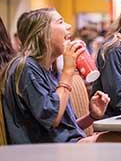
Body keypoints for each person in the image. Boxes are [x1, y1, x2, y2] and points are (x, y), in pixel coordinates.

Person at [0, 8, 110, 144]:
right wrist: (68, 70)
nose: (69, 26)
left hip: (65, 146)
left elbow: (62, 129)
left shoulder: (47, 70)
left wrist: (92, 116)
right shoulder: (26, 67)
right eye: (61, 22)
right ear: (43, 34)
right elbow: (53, 118)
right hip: (44, 153)